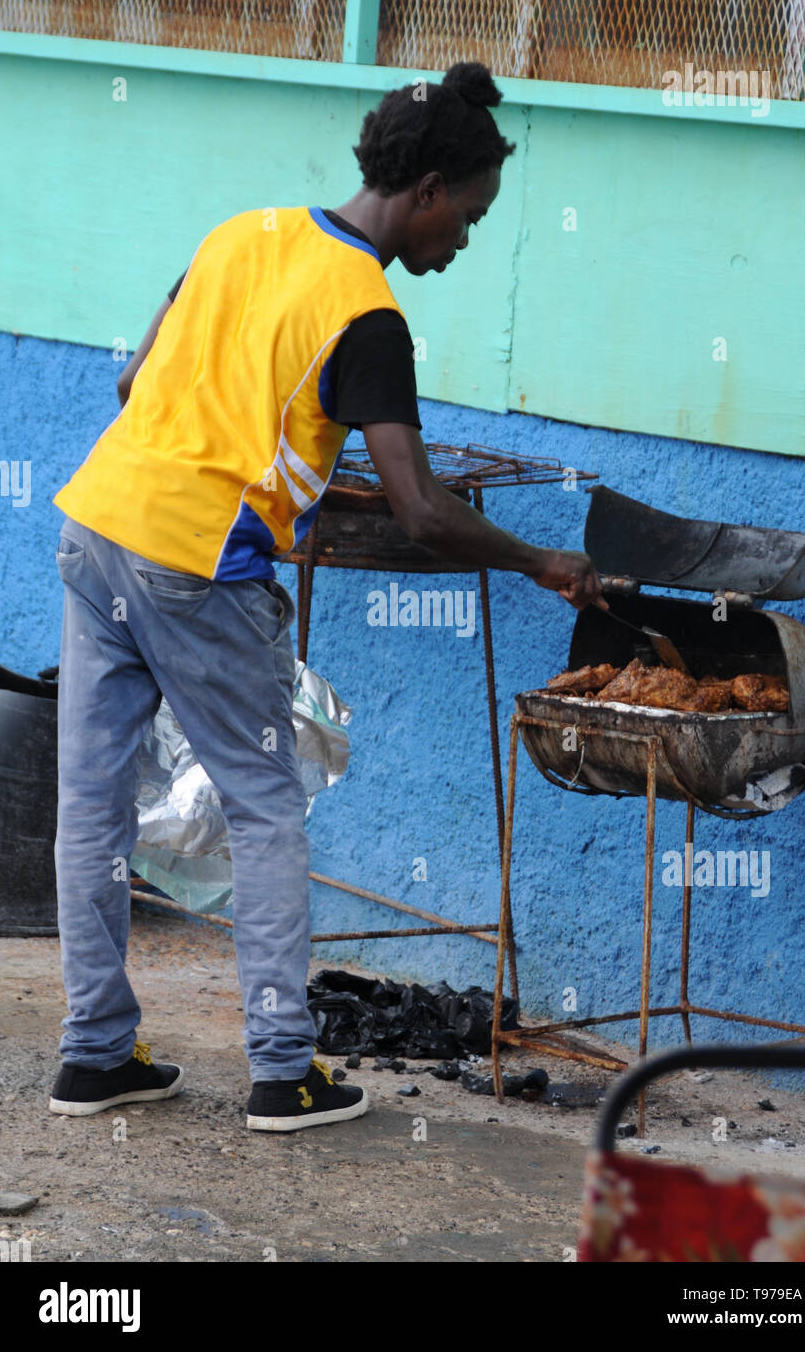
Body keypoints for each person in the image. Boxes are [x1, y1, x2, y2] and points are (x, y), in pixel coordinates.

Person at [49, 61, 604, 1134]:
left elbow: (136, 387)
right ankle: (279, 1073)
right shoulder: (368, 313)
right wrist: (543, 562)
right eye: (471, 218)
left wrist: (264, 445)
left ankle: (94, 1055)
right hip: (194, 563)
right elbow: (422, 510)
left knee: (90, 808)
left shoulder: (237, 233)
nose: (464, 243)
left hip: (96, 524)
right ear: (430, 190)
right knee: (264, 806)